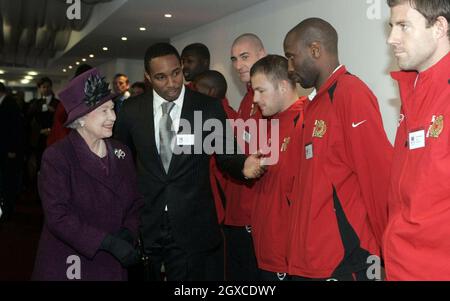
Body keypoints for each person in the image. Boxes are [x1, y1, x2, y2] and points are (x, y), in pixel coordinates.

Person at [114, 42, 265, 281]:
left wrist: (243, 167)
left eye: (176, 73)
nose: (172, 83)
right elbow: (120, 162)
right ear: (148, 77)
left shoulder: (207, 107)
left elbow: (227, 155)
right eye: (161, 77)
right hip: (146, 222)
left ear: (181, 67)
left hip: (192, 224)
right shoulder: (131, 110)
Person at [283, 18, 393, 280]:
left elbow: (377, 176)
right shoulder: (311, 105)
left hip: (348, 259)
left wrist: (387, 251)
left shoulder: (350, 93)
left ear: (315, 50)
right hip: (310, 259)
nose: (289, 67)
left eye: (291, 57)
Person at [32, 68, 143, 281]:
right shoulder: (57, 156)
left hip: (113, 262)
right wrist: (106, 242)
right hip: (72, 262)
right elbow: (58, 216)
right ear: (81, 118)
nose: (113, 116)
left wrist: (129, 233)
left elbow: (136, 202)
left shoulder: (122, 152)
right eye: (104, 111)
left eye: (112, 109)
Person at [383, 0, 450, 281]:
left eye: (403, 26)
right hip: (400, 265)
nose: (391, 39)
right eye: (391, 27)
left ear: (439, 27)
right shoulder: (411, 90)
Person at [249, 55, 306, 281]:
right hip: (266, 249)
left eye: (261, 91)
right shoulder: (269, 123)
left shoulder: (306, 120)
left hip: (289, 254)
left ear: (283, 86)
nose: (255, 98)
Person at [224, 33, 266, 281]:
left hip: (257, 212)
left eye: (244, 57)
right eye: (234, 59)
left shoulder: (270, 96)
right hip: (239, 210)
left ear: (262, 54)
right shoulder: (247, 98)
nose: (238, 65)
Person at [47, 64, 93, 147]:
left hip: (64, 139)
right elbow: (63, 119)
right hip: (66, 140)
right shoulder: (73, 96)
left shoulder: (73, 93)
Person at [0, 82, 24, 220]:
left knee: (7, 181)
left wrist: (12, 149)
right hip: (3, 150)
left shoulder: (10, 104)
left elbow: (16, 129)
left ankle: (7, 210)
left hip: (9, 151)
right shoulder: (5, 103)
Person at [28, 77, 59, 172]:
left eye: (48, 87)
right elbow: (29, 121)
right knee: (40, 165)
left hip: (54, 138)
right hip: (39, 139)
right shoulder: (34, 104)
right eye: (43, 87)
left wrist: (54, 111)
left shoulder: (57, 103)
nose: (46, 89)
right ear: (40, 88)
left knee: (53, 165)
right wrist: (40, 131)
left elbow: (62, 121)